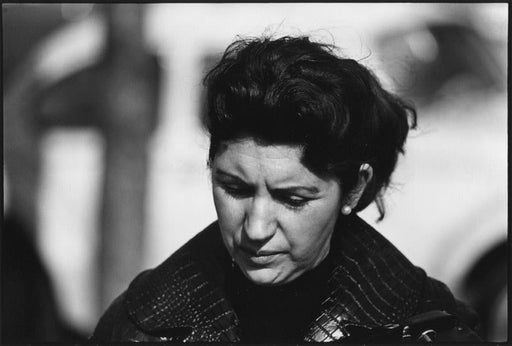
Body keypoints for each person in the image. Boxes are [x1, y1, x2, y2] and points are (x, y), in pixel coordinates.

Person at [91, 35, 481, 342]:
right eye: (235, 188)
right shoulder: (137, 326)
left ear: (354, 190)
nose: (256, 229)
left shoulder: (432, 327)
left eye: (292, 199)